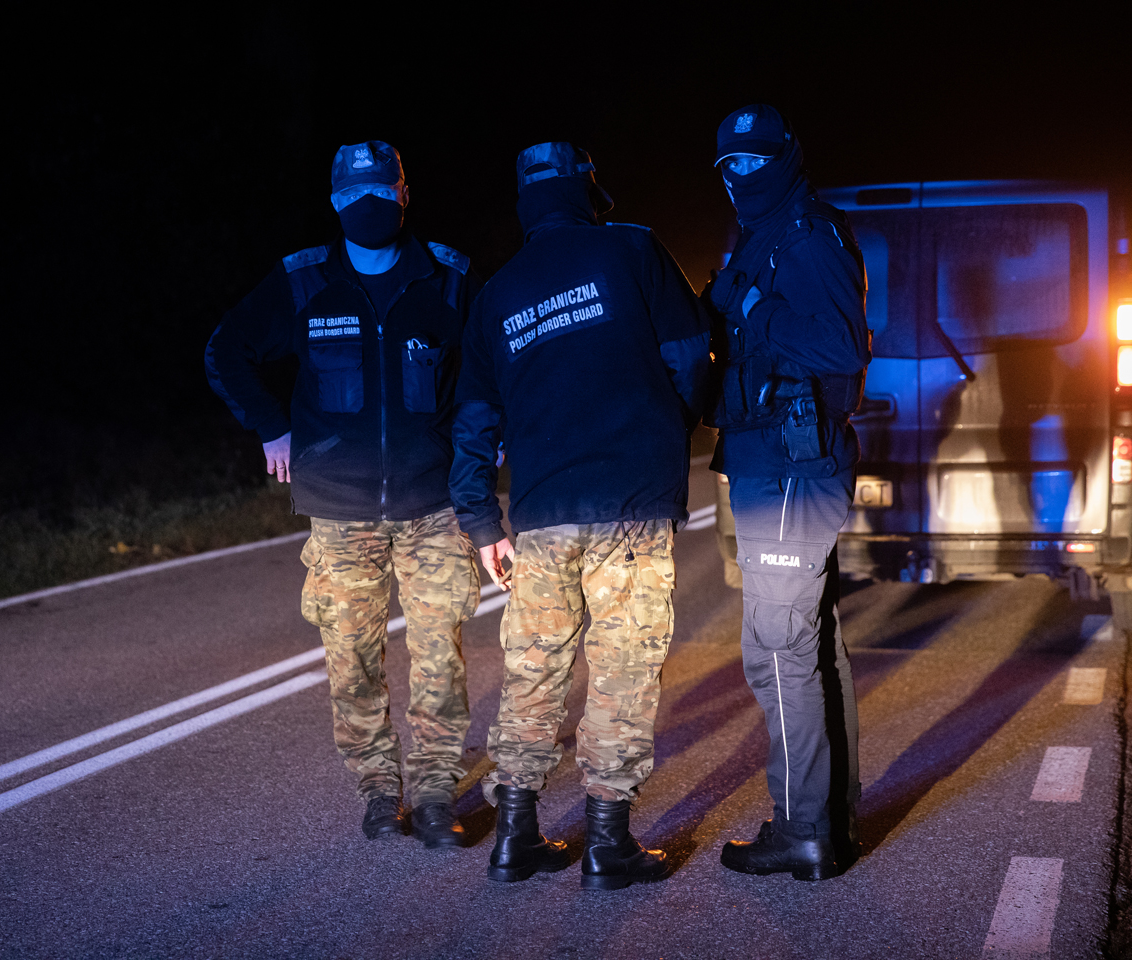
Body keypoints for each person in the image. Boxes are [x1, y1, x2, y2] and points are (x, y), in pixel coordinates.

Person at [205, 140, 482, 848]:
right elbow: (225, 351)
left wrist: (491, 432)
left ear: (404, 192)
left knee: (438, 658)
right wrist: (270, 427)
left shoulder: (448, 279)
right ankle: (376, 789)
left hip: (432, 504)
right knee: (351, 661)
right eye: (355, 194)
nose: (371, 205)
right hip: (338, 510)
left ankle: (432, 794)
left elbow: (486, 370)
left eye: (382, 191)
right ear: (334, 201)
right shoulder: (303, 283)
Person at [450, 142, 711, 889]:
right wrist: (672, 423)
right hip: (628, 503)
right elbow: (691, 353)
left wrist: (481, 523)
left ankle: (515, 839)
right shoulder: (630, 249)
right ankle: (608, 847)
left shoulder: (496, 294)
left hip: (537, 518)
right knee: (622, 673)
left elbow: (472, 420)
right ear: (589, 190)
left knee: (533, 673)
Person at [703, 104, 869, 880]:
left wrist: (749, 308)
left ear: (786, 156)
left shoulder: (806, 234)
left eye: (753, 161)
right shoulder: (763, 235)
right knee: (807, 643)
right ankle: (829, 819)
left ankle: (802, 829)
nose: (740, 176)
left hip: (793, 470)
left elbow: (839, 344)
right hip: (775, 463)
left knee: (778, 649)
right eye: (727, 166)